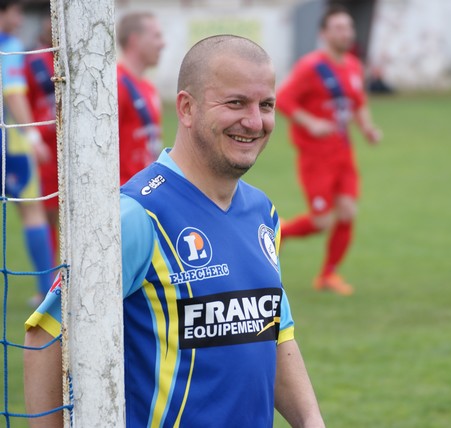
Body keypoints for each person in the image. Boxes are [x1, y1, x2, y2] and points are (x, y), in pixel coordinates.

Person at [24, 35, 325, 427]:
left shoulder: (262, 212)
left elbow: (276, 332)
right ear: (186, 108)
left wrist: (311, 421)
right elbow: (46, 336)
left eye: (265, 105)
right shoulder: (135, 215)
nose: (255, 122)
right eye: (235, 103)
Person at [276, 5, 382, 296]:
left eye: (349, 27)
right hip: (316, 156)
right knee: (322, 221)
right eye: (338, 28)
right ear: (323, 33)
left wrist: (368, 128)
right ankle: (280, 233)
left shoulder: (353, 65)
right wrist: (310, 122)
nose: (346, 33)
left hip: (343, 152)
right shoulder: (311, 67)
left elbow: (358, 103)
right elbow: (283, 99)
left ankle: (327, 275)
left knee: (347, 212)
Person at [0, 0, 54, 305]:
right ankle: (47, 290)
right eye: (16, 12)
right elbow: (14, 94)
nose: (20, 19)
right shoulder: (9, 46)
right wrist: (33, 135)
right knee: (32, 211)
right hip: (11, 144)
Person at [116, 11, 164, 184]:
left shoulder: (149, 87)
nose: (163, 43)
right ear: (135, 40)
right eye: (156, 36)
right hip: (122, 190)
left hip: (144, 188)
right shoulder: (116, 84)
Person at [25, 15, 58, 255]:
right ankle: (52, 267)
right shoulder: (33, 61)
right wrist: (32, 137)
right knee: (48, 209)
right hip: (44, 146)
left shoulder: (68, 59)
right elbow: (24, 101)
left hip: (66, 143)